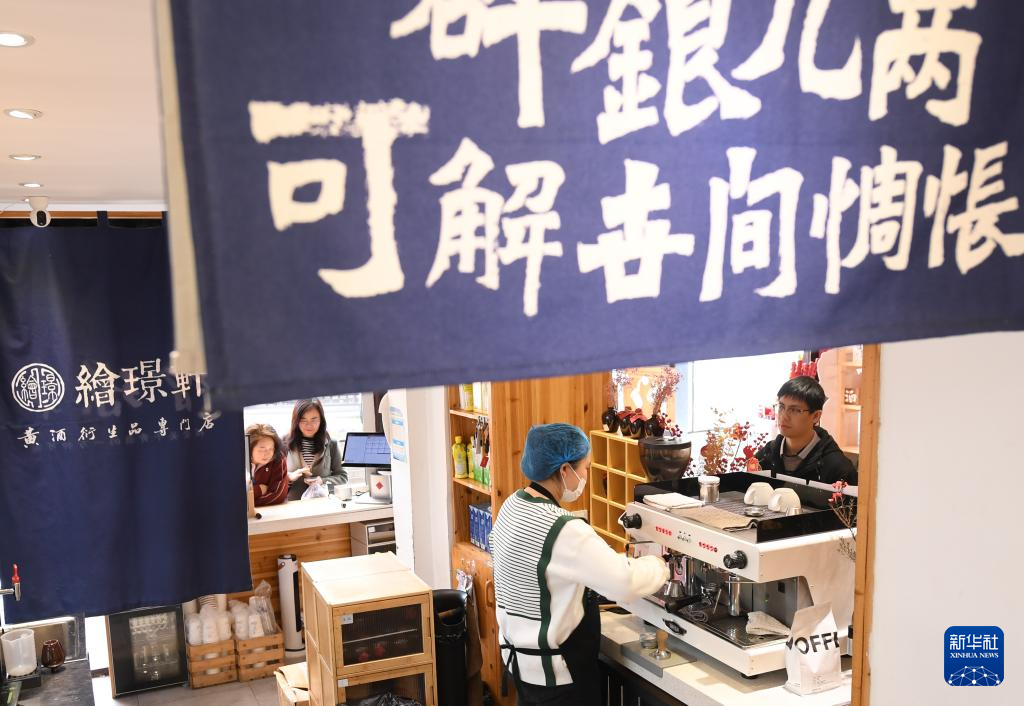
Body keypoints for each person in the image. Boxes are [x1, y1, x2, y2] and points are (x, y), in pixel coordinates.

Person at [490, 423, 669, 705]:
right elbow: (625, 583)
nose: (586, 475)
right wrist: (660, 564)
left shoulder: (512, 506)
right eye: (585, 467)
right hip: (559, 677)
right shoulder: (563, 528)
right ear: (564, 470)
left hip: (522, 669)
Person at [755, 376, 858, 485]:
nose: (784, 416)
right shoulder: (765, 456)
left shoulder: (838, 469)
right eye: (781, 407)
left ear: (816, 416)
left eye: (795, 410)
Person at [284, 399, 347, 500]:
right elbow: (273, 478)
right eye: (303, 420)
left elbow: (342, 477)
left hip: (322, 503)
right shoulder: (284, 443)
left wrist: (322, 481)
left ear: (321, 420)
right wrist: (289, 477)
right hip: (292, 505)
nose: (309, 425)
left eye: (314, 420)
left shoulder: (332, 444)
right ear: (296, 421)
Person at [246, 423, 290, 506]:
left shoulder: (278, 458)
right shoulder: (237, 461)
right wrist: (259, 490)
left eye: (271, 449)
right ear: (249, 448)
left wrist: (247, 502)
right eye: (262, 449)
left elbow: (278, 496)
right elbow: (232, 494)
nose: (267, 454)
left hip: (271, 511)